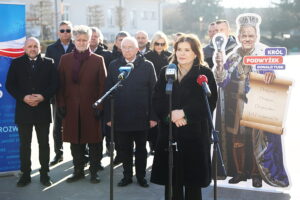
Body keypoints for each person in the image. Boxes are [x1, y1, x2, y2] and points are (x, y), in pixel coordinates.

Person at [214, 13, 289, 188]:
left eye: (251, 35)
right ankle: (240, 173)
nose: (247, 39)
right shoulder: (232, 56)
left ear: (256, 36)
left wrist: (271, 75)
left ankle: (256, 174)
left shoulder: (264, 53)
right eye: (244, 35)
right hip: (236, 108)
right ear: (239, 36)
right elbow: (222, 81)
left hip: (257, 107)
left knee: (255, 141)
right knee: (237, 140)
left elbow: (273, 81)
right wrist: (219, 66)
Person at [151, 34, 218, 200]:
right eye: (179, 49)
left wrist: (185, 114)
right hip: (170, 135)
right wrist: (170, 115)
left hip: (194, 136)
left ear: (195, 53)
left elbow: (210, 102)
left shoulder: (204, 73)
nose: (182, 53)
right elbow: (157, 99)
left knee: (192, 184)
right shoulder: (166, 71)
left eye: (187, 50)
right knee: (172, 184)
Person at [104, 37, 157, 188]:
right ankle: (127, 176)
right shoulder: (114, 65)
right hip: (121, 117)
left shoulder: (147, 66)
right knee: (124, 149)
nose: (127, 50)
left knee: (141, 149)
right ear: (120, 49)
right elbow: (108, 91)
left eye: (130, 47)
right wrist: (109, 116)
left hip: (142, 117)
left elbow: (154, 92)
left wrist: (153, 117)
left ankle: (141, 177)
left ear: (137, 49)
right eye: (124, 47)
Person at [56, 25, 107, 184]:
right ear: (74, 40)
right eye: (78, 39)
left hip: (91, 108)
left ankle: (94, 171)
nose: (82, 42)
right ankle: (78, 171)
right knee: (75, 142)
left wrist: (99, 106)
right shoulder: (65, 59)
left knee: (94, 141)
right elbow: (60, 84)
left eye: (85, 39)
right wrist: (61, 105)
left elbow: (103, 86)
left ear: (89, 40)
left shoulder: (98, 60)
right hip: (71, 108)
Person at [6, 37, 58, 187]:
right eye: (30, 46)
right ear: (25, 48)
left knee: (44, 144)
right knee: (24, 144)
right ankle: (25, 174)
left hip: (42, 109)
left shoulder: (49, 63)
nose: (33, 48)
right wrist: (23, 97)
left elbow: (55, 84)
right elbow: (10, 85)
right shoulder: (16, 63)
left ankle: (45, 174)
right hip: (24, 110)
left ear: (39, 48)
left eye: (35, 46)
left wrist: (43, 97)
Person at [45, 21, 75, 166]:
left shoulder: (77, 46)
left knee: (77, 123)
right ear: (58, 32)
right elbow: (49, 72)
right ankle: (59, 154)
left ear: (71, 32)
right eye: (62, 30)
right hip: (57, 93)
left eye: (68, 30)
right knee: (57, 126)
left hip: (75, 93)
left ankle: (81, 154)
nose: (65, 33)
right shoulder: (51, 49)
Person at [144, 31, 172, 155]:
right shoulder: (147, 56)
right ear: (153, 43)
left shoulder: (170, 56)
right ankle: (153, 145)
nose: (159, 46)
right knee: (153, 117)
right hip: (152, 91)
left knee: (165, 118)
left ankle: (165, 144)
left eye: (162, 43)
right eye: (157, 43)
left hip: (167, 91)